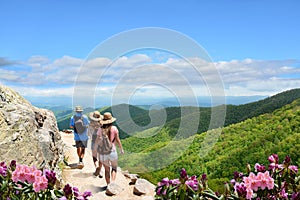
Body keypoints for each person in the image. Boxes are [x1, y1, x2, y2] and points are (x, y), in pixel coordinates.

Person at [95, 112, 124, 185]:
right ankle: (113, 184)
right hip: (112, 151)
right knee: (114, 168)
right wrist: (121, 149)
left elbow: (97, 141)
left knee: (106, 170)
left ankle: (108, 185)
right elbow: (117, 140)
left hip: (103, 152)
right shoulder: (114, 128)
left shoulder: (100, 129)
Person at [88, 110, 103, 177]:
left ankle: (96, 166)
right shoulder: (102, 125)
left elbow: (88, 134)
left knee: (94, 156)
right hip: (101, 142)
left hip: (93, 141)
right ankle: (100, 171)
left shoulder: (90, 125)